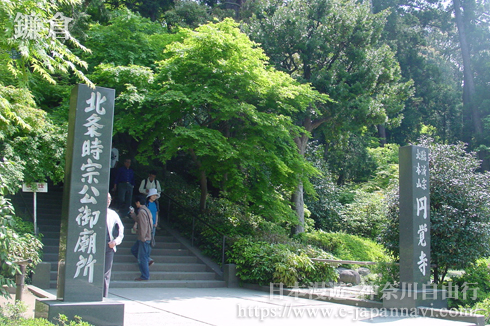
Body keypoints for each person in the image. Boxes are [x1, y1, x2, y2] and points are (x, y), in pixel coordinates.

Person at [104, 193, 124, 297]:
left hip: (109, 245)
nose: (108, 201)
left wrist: (115, 242)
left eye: (109, 199)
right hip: (95, 245)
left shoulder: (112, 214)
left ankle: (104, 295)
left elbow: (121, 230)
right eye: (106, 198)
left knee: (106, 272)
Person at [130, 195, 153, 281]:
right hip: (146, 237)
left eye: (136, 203)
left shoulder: (142, 212)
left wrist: (143, 237)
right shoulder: (146, 210)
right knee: (134, 250)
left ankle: (145, 276)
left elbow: (143, 225)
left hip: (143, 238)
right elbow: (141, 221)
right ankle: (148, 260)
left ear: (138, 202)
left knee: (142, 258)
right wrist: (133, 214)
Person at [146, 188, 159, 266]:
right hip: (147, 225)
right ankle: (146, 257)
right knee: (147, 241)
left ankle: (147, 256)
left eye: (155, 195)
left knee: (151, 241)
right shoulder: (146, 203)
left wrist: (156, 222)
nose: (154, 197)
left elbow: (156, 213)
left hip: (153, 225)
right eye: (153, 195)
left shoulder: (155, 203)